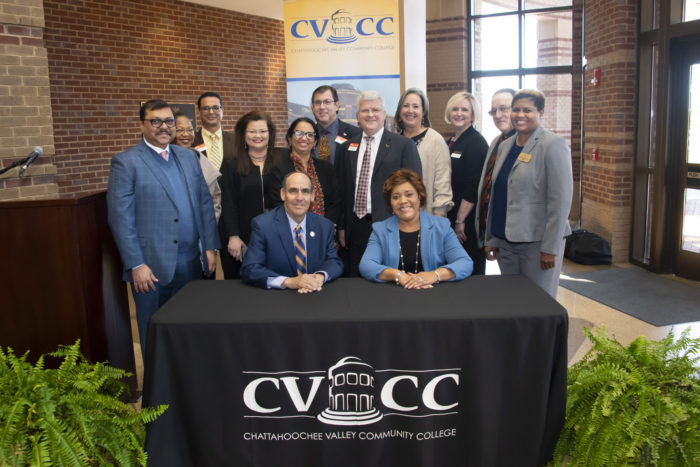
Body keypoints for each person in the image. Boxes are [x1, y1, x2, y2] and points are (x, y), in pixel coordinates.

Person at [107, 99, 219, 351]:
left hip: (192, 263)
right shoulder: (126, 162)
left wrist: (210, 247)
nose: (164, 127)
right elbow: (120, 219)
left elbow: (204, 203)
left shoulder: (189, 157)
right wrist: (136, 264)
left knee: (191, 330)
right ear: (142, 124)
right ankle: (157, 378)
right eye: (156, 121)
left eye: (169, 121)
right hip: (151, 269)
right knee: (155, 335)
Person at [484, 89, 573, 298]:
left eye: (527, 110)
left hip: (537, 243)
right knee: (513, 301)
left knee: (538, 302)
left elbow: (560, 201)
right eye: (516, 110)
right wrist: (491, 239)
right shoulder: (505, 146)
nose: (520, 115)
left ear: (540, 112)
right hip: (505, 242)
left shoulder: (552, 144)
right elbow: (497, 195)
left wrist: (550, 247)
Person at [336, 90, 422, 277]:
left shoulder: (403, 145)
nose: (370, 115)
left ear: (384, 114)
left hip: (390, 226)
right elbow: (341, 190)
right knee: (355, 279)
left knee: (387, 280)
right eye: (365, 110)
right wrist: (342, 226)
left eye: (375, 110)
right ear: (358, 116)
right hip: (355, 227)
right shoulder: (347, 147)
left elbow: (414, 191)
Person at [359, 169, 472, 287]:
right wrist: (398, 276)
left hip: (433, 293)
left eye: (409, 194)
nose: (403, 201)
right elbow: (366, 265)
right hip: (394, 294)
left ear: (419, 196)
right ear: (390, 202)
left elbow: (464, 263)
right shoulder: (380, 230)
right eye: (396, 197)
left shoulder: (441, 226)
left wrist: (434, 275)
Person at [241, 172, 344, 292]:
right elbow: (250, 269)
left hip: (315, 296)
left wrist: (319, 277)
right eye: (293, 191)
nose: (299, 198)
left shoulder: (325, 226)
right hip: (278, 297)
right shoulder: (263, 225)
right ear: (283, 194)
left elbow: (334, 262)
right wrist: (288, 281)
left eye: (305, 191)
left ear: (312, 196)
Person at [218, 111, 281, 279]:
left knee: (274, 281)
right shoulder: (232, 164)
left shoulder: (282, 159)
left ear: (270, 133)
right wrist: (233, 235)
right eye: (252, 131)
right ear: (243, 134)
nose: (258, 136)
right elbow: (228, 202)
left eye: (263, 131)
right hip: (243, 236)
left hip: (276, 235)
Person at [444, 91, 489, 275]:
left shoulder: (476, 143)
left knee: (468, 269)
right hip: (451, 216)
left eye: (464, 110)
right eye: (455, 109)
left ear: (472, 114)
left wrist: (460, 220)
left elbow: (473, 186)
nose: (459, 113)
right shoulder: (452, 141)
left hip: (466, 222)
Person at [269, 117, 340, 224]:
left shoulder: (326, 168)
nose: (304, 138)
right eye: (299, 133)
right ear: (289, 138)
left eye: (310, 135)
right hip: (289, 227)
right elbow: (277, 202)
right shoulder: (278, 168)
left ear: (315, 142)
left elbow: (335, 201)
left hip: (323, 228)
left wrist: (326, 225)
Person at [394, 88, 453, 217]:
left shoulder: (435, 140)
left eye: (416, 106)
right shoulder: (394, 141)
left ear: (423, 112)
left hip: (426, 216)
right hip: (398, 217)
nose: (410, 110)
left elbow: (442, 183)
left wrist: (438, 218)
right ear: (400, 110)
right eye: (406, 106)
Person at [475, 89, 516, 250]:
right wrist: (490, 237)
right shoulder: (496, 142)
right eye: (493, 111)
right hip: (497, 232)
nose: (498, 115)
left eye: (503, 109)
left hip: (525, 236)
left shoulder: (531, 144)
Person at [172, 112, 221, 222]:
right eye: (180, 130)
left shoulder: (200, 158)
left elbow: (215, 198)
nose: (186, 134)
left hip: (202, 225)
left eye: (190, 130)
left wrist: (210, 223)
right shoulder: (163, 160)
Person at [310, 85, 361, 165]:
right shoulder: (307, 135)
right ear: (313, 107)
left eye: (327, 102)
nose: (322, 107)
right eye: (317, 102)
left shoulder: (356, 134)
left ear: (337, 106)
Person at [192, 91, 235, 171]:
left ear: (222, 110)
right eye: (206, 108)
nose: (211, 112)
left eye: (215, 108)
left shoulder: (236, 140)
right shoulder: (191, 141)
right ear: (199, 112)